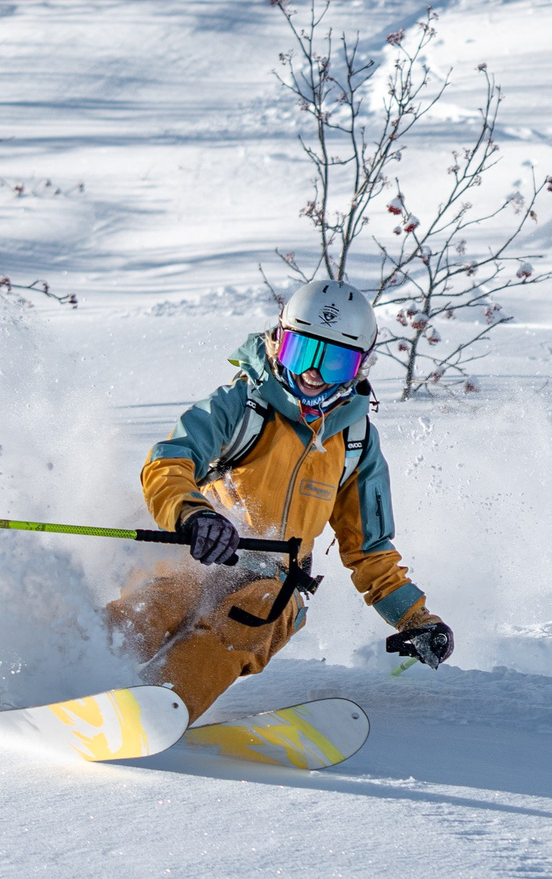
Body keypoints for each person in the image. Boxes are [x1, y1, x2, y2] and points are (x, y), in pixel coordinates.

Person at [105, 280, 452, 719]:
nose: (313, 373)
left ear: (360, 368)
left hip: (273, 581)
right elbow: (169, 462)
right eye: (301, 352)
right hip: (197, 554)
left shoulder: (356, 441)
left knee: (256, 615)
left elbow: (369, 548)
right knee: (160, 602)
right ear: (278, 342)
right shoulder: (241, 405)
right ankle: (59, 672)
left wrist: (415, 619)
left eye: (335, 363)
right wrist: (193, 515)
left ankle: (155, 711)